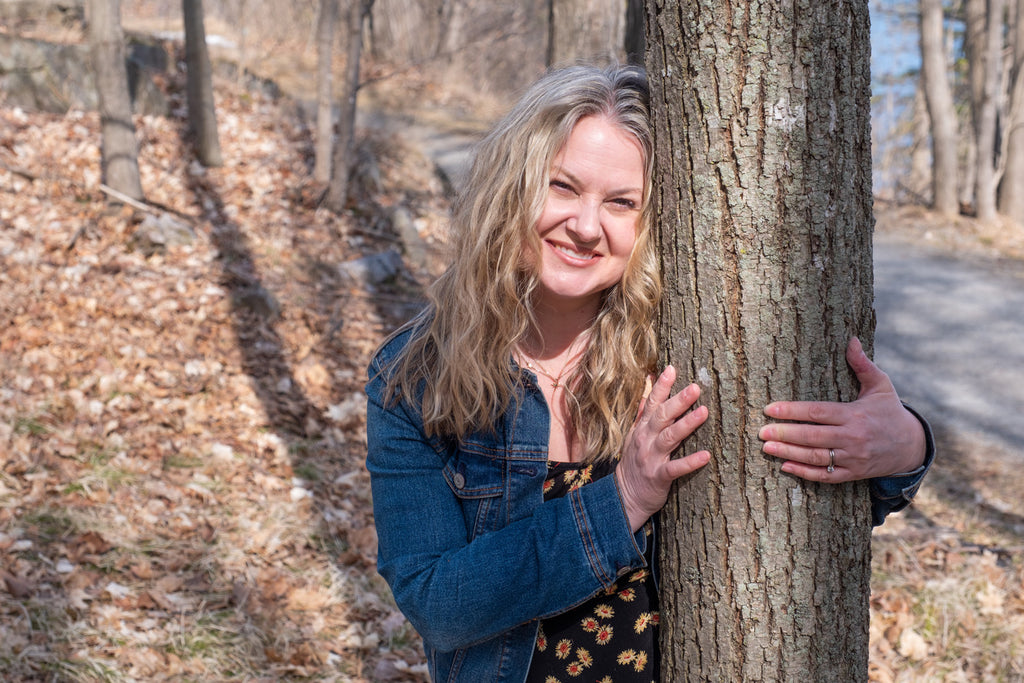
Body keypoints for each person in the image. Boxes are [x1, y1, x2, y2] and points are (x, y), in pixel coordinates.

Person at [365, 64, 933, 683]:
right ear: (512, 188)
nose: (585, 226)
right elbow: (436, 603)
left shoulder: (686, 352)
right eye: (561, 187)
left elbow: (791, 506)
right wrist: (622, 501)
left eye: (621, 203)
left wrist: (906, 445)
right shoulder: (416, 376)